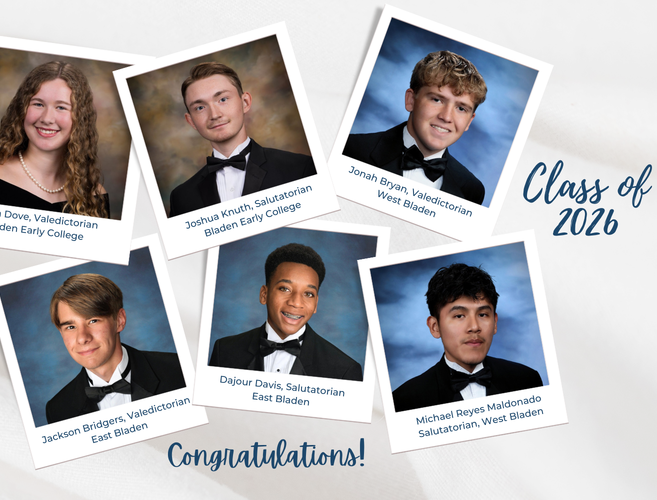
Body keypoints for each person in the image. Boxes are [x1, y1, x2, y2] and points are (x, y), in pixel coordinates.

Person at [0, 61, 110, 218]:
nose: (47, 118)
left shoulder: (95, 196)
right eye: (38, 104)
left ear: (81, 118)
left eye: (61, 107)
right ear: (22, 109)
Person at [168, 62, 316, 217]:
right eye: (200, 108)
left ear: (245, 102)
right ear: (191, 121)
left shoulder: (301, 169)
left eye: (223, 99)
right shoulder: (181, 198)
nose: (215, 115)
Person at [392, 263, 542, 412]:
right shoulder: (404, 401)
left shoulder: (527, 380)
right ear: (434, 327)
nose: (474, 326)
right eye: (459, 316)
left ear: (495, 323)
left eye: (482, 314)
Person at [343, 51, 486, 205]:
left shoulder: (472, 191)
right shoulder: (350, 149)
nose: (446, 117)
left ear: (469, 121)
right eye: (437, 100)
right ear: (411, 100)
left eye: (461, 108)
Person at [208, 243, 362, 381]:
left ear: (316, 304)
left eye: (308, 294)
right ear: (264, 294)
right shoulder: (225, 351)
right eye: (285, 289)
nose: (296, 302)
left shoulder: (344, 371)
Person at [45, 274, 184, 424]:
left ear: (119, 320)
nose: (82, 338)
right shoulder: (58, 410)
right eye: (71, 327)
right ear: (61, 332)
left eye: (93, 321)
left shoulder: (179, 371)